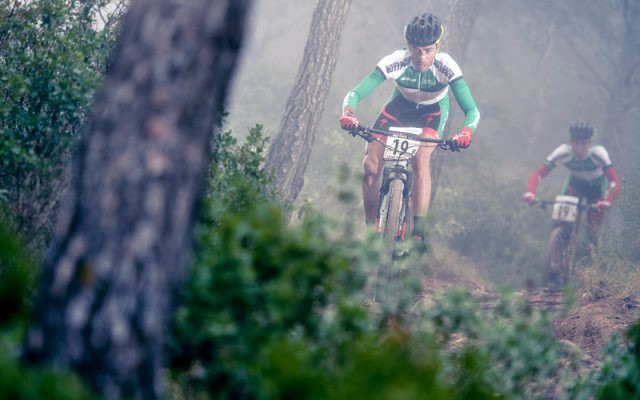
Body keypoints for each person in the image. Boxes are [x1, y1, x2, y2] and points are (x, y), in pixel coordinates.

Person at [339, 12, 480, 247]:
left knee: (420, 157)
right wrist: (349, 113)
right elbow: (355, 93)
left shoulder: (447, 66)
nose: (422, 57)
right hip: (399, 108)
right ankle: (370, 229)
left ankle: (418, 233)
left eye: (428, 50)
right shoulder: (396, 60)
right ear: (409, 46)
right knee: (370, 164)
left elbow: (472, 111)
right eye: (416, 49)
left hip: (432, 113)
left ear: (437, 46)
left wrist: (466, 133)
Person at [522, 122, 621, 247]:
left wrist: (607, 201)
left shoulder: (599, 154)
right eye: (575, 143)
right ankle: (559, 252)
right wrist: (530, 192)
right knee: (561, 222)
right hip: (575, 187)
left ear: (590, 143)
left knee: (593, 231)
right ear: (570, 142)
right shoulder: (563, 152)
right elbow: (539, 174)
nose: (578, 148)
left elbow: (614, 181)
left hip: (597, 190)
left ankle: (594, 257)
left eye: (583, 143)